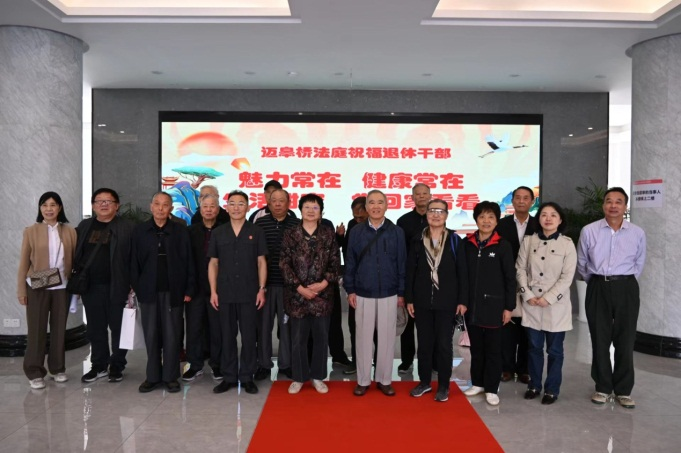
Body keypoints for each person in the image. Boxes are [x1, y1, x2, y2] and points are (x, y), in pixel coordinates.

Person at [577, 188, 646, 409]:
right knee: (600, 338)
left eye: (618, 202)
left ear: (625, 206)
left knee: (625, 339)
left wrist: (622, 281)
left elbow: (639, 263)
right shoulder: (589, 231)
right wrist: (597, 281)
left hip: (626, 287)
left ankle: (624, 390)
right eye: (609, 201)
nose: (613, 205)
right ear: (603, 206)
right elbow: (582, 262)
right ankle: (603, 387)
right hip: (598, 285)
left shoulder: (637, 233)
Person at [131, 192, 195, 393]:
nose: (160, 208)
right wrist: (138, 287)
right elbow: (133, 263)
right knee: (151, 335)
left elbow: (189, 261)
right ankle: (152, 376)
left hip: (173, 291)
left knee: (172, 335)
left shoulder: (180, 231)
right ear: (151, 206)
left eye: (165, 205)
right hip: (148, 291)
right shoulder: (140, 231)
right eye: (157, 204)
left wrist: (188, 288)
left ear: (171, 209)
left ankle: (170, 377)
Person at [344, 190, 406, 397]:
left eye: (380, 202)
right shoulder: (356, 232)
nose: (376, 206)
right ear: (366, 207)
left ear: (387, 206)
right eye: (372, 202)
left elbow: (402, 264)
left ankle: (384, 380)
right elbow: (350, 262)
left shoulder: (396, 232)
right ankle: (363, 380)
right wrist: (350, 289)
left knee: (387, 339)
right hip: (363, 292)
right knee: (362, 339)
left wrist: (401, 292)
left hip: (389, 292)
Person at [405, 199, 467, 402]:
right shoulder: (417, 239)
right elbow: (410, 271)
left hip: (447, 301)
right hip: (422, 300)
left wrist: (462, 300)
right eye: (432, 211)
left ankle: (443, 386)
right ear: (426, 214)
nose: (436, 215)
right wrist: (410, 298)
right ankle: (424, 382)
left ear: (446, 215)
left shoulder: (455, 240)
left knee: (444, 345)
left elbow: (462, 273)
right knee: (424, 345)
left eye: (440, 211)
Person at [280, 194, 341, 394]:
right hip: (297, 296)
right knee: (298, 339)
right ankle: (299, 377)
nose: (311, 211)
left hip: (322, 296)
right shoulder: (290, 234)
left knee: (321, 338)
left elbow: (335, 262)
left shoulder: (328, 234)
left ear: (321, 211)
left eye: (315, 207)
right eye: (307, 207)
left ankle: (318, 376)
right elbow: (284, 263)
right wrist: (300, 288)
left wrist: (322, 284)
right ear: (300, 210)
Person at [516, 202, 576, 404]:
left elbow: (567, 277)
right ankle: (534, 385)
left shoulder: (567, 244)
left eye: (553, 215)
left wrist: (548, 298)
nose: (548, 218)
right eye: (544, 214)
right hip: (532, 303)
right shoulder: (529, 241)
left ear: (560, 220)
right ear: (538, 218)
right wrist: (527, 294)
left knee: (555, 351)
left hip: (556, 306)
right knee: (533, 348)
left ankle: (552, 389)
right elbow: (520, 269)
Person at [209, 190, 268, 395]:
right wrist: (213, 291)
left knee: (249, 336)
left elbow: (261, 262)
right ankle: (229, 376)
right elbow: (213, 263)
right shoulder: (218, 232)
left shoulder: (256, 231)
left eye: (241, 203)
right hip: (224, 292)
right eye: (232, 203)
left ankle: (247, 376)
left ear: (248, 207)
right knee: (227, 335)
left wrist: (261, 289)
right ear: (226, 207)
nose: (236, 207)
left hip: (249, 292)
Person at [17, 192, 76, 389]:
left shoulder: (70, 231)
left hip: (62, 286)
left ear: (60, 208)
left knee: (59, 330)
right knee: (37, 330)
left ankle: (57, 368)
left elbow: (74, 260)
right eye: (44, 205)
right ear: (40, 208)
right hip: (37, 285)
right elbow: (24, 263)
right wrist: (21, 290)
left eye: (53, 205)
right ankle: (34, 372)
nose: (49, 209)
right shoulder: (31, 231)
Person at [75, 188, 134, 383]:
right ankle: (99, 365)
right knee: (95, 328)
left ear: (117, 206)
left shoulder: (128, 227)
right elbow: (76, 254)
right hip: (91, 287)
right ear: (93, 206)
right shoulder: (84, 226)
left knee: (118, 328)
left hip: (118, 285)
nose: (103, 204)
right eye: (99, 201)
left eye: (108, 201)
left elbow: (136, 258)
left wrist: (133, 283)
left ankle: (117, 365)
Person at [462, 201, 515, 406]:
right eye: (482, 217)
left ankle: (492, 388)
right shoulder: (467, 244)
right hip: (472, 307)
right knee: (476, 348)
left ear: (497, 221)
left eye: (491, 217)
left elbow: (510, 278)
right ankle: (477, 383)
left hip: (495, 306)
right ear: (476, 219)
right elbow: (461, 276)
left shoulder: (503, 245)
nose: (486, 221)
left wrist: (509, 307)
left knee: (493, 349)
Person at [254, 189, 299, 381]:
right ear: (268, 203)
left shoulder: (297, 224)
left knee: (286, 327)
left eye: (282, 200)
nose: (278, 204)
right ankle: (264, 364)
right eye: (274, 200)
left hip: (288, 285)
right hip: (264, 285)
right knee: (263, 326)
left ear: (289, 203)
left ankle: (286, 364)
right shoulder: (260, 224)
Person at [496, 186, 537, 383]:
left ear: (532, 202)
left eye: (526, 198)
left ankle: (524, 369)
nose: (521, 201)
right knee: (508, 325)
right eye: (518, 198)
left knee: (528, 328)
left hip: (533, 283)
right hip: (506, 281)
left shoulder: (538, 225)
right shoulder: (501, 224)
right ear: (512, 201)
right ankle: (506, 368)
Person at [185, 194, 227, 382]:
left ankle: (217, 365)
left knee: (217, 328)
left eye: (212, 206)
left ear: (218, 210)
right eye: (205, 206)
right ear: (200, 210)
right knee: (194, 328)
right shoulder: (190, 231)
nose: (209, 209)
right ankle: (195, 365)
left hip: (219, 288)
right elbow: (184, 260)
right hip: (195, 288)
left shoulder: (225, 230)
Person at [396, 183, 432, 374]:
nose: (422, 196)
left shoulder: (436, 218)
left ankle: (430, 361)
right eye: (418, 194)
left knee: (429, 325)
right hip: (410, 277)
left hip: (432, 279)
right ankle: (406, 360)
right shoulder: (403, 221)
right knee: (408, 324)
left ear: (430, 196)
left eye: (425, 193)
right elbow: (399, 253)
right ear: (412, 197)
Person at [336, 196, 368, 374]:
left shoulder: (384, 228)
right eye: (355, 216)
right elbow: (346, 251)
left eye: (361, 217)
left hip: (375, 286)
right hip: (355, 285)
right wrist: (340, 237)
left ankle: (376, 362)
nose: (357, 220)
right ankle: (356, 362)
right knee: (354, 325)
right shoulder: (352, 225)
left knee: (375, 329)